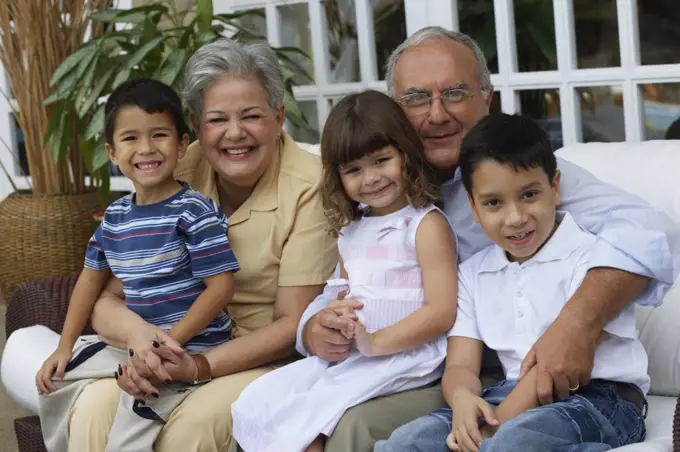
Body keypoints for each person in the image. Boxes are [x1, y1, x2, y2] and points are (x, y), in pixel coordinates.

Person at [296, 27, 679, 450]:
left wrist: (576, 325)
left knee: (356, 426)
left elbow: (648, 230)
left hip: (538, 383)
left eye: (456, 93)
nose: (437, 114)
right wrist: (315, 328)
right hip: (427, 370)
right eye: (418, 98)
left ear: (487, 98)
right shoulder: (379, 194)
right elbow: (347, 285)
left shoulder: (527, 176)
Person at [1, 39, 338, 451]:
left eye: (251, 115)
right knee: (93, 408)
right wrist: (146, 344)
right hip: (164, 346)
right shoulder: (174, 166)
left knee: (188, 427)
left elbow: (291, 326)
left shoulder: (312, 186)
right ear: (195, 126)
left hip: (260, 359)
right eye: (217, 120)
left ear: (278, 116)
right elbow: (108, 298)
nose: (235, 133)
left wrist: (193, 365)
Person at [376, 113, 651, 452]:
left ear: (555, 187)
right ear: (473, 207)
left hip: (601, 399)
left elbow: (551, 368)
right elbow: (461, 364)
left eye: (529, 195)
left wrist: (494, 428)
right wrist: (463, 399)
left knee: (512, 441)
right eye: (493, 203)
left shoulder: (595, 258)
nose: (516, 217)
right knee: (406, 443)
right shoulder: (473, 273)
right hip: (506, 394)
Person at [230, 90, 458, 452]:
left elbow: (441, 310)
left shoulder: (423, 225)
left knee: (314, 423)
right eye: (353, 170)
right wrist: (330, 317)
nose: (370, 179)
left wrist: (377, 343)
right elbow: (340, 293)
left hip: (404, 355)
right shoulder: (350, 231)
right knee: (261, 400)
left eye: (381, 160)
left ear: (405, 154)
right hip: (355, 355)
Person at [35, 78, 241, 452]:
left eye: (159, 135)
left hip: (188, 348)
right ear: (112, 153)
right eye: (131, 139)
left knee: (128, 434)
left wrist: (169, 346)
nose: (146, 148)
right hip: (133, 346)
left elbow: (221, 288)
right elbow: (89, 281)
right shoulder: (114, 218)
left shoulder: (194, 212)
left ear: (181, 145)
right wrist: (63, 347)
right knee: (53, 381)